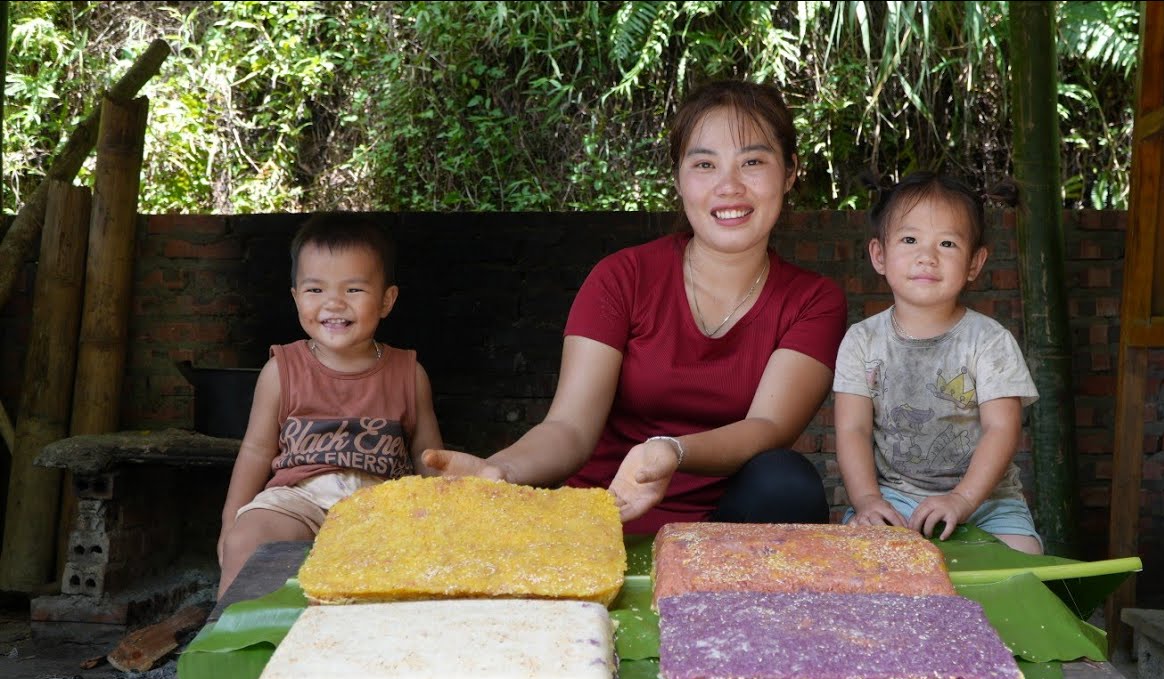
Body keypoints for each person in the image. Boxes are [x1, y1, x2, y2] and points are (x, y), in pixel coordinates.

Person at [422, 80, 847, 534]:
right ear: (679, 177)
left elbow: (768, 426)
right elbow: (569, 426)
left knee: (788, 483)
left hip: (725, 533)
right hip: (608, 511)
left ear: (789, 171)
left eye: (753, 162)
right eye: (704, 163)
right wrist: (502, 470)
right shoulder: (623, 277)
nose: (729, 186)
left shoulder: (813, 300)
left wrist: (671, 450)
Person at [216, 213, 443, 597]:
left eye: (354, 290)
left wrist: (440, 514)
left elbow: (429, 455)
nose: (333, 303)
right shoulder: (280, 370)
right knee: (249, 536)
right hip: (297, 497)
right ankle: (235, 644)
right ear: (295, 297)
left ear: (386, 300)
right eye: (315, 290)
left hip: (379, 503)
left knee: (415, 554)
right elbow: (256, 451)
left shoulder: (409, 372)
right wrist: (230, 524)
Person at [833, 172, 1043, 554]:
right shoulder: (862, 341)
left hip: (986, 502)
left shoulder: (990, 341)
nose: (926, 256)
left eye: (947, 243)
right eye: (910, 240)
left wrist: (962, 500)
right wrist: (867, 500)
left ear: (974, 263)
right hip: (894, 498)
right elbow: (853, 430)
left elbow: (1002, 428)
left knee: (1024, 556)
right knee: (858, 558)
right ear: (879, 255)